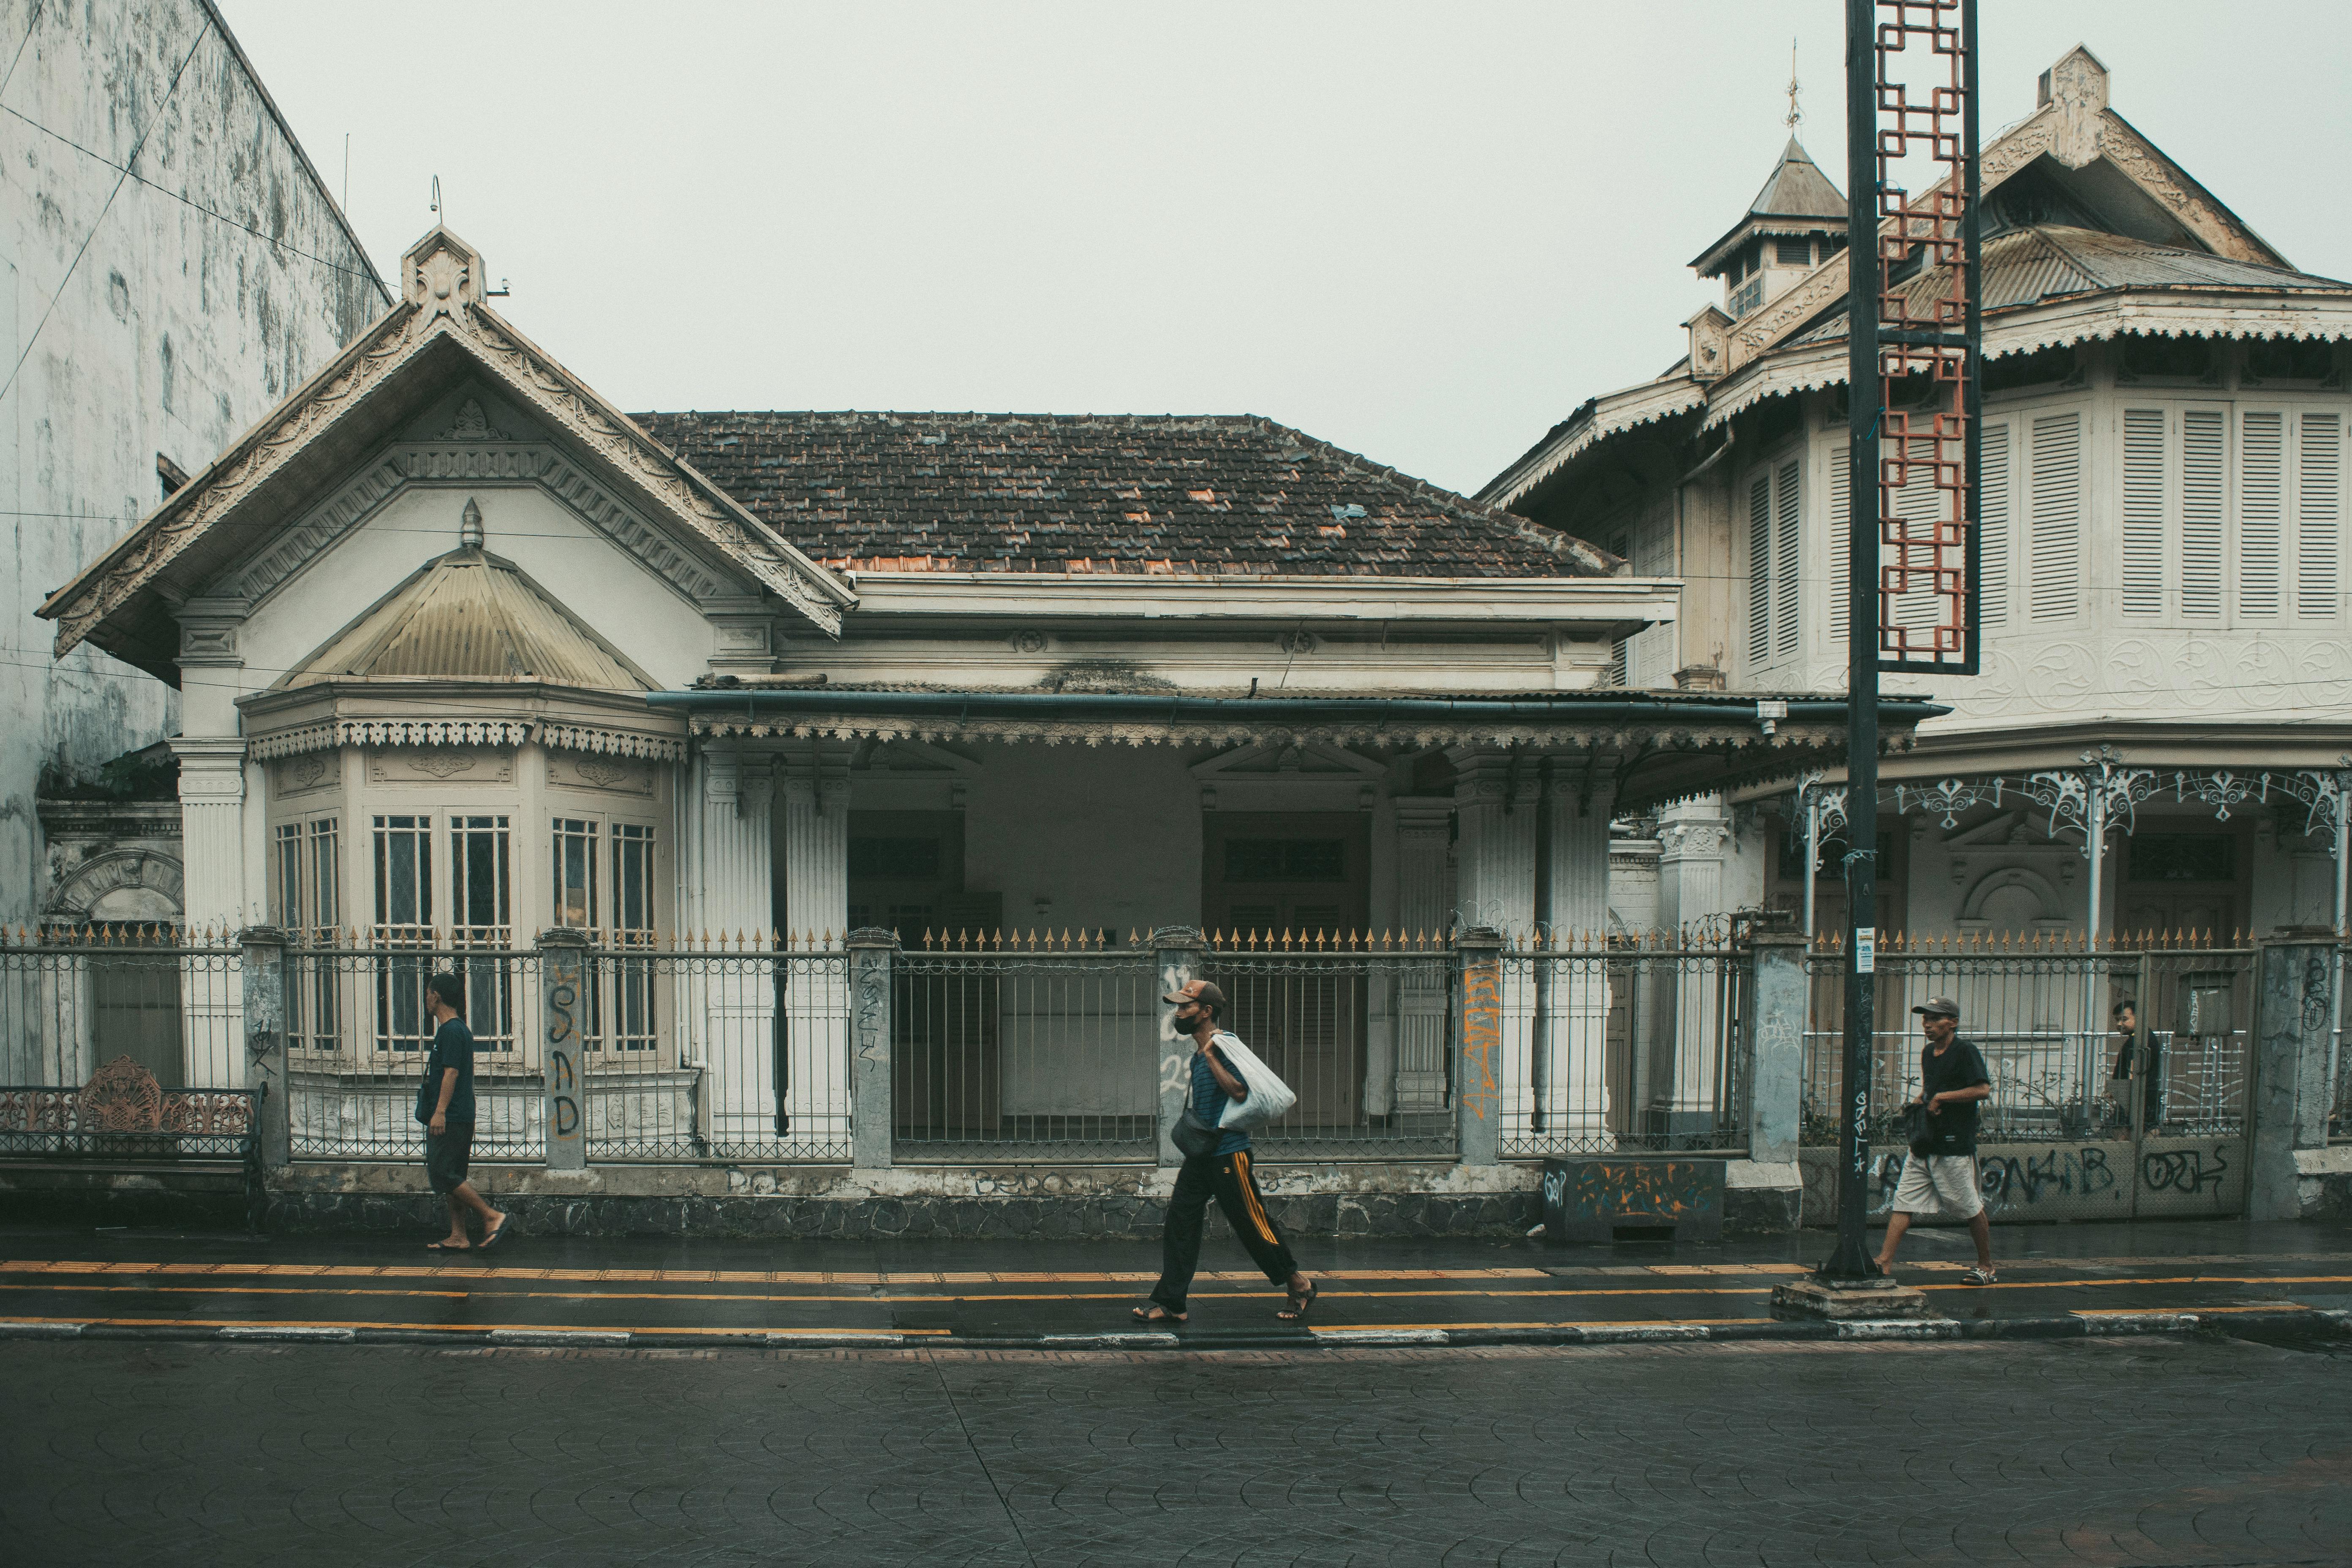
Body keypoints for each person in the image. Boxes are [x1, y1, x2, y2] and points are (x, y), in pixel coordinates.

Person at [1133, 979, 1316, 1325]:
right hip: (1203, 1154)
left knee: (1252, 1226)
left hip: (1230, 1154)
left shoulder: (1224, 1046)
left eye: (1186, 1007)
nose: (1179, 1013)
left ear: (1206, 1012)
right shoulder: (1201, 1053)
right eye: (1178, 1007)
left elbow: (1240, 1092)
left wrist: (1212, 1056)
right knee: (1181, 1221)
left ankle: (1299, 1284)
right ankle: (1172, 1302)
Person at [1873, 995, 1995, 1285]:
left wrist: (1943, 1098)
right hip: (1925, 1142)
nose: (1928, 1025)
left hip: (1953, 1144)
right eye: (1926, 1019)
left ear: (1952, 1023)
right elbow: (1930, 1088)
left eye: (1936, 1019)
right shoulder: (1929, 1053)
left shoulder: (1966, 1052)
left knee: (1969, 1207)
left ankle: (1986, 1266)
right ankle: (1884, 1262)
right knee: (1903, 1202)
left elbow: (1983, 1090)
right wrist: (1920, 1102)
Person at [420, 970, 509, 1252]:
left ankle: (491, 1216)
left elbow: (452, 1073)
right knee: (454, 1174)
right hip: (459, 1114)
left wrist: (440, 1112)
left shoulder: (453, 1031)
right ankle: (459, 1235)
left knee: (442, 1173)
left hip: (453, 1115)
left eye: (428, 994)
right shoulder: (454, 1030)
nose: (426, 999)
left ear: (436, 996)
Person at [2110, 999, 2162, 1132]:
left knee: (2126, 1131)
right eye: (2117, 1020)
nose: (2119, 1024)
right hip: (2136, 1093)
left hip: (2138, 1094)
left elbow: (2133, 1070)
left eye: (2124, 1019)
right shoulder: (2137, 1038)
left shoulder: (2141, 1041)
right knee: (2144, 1129)